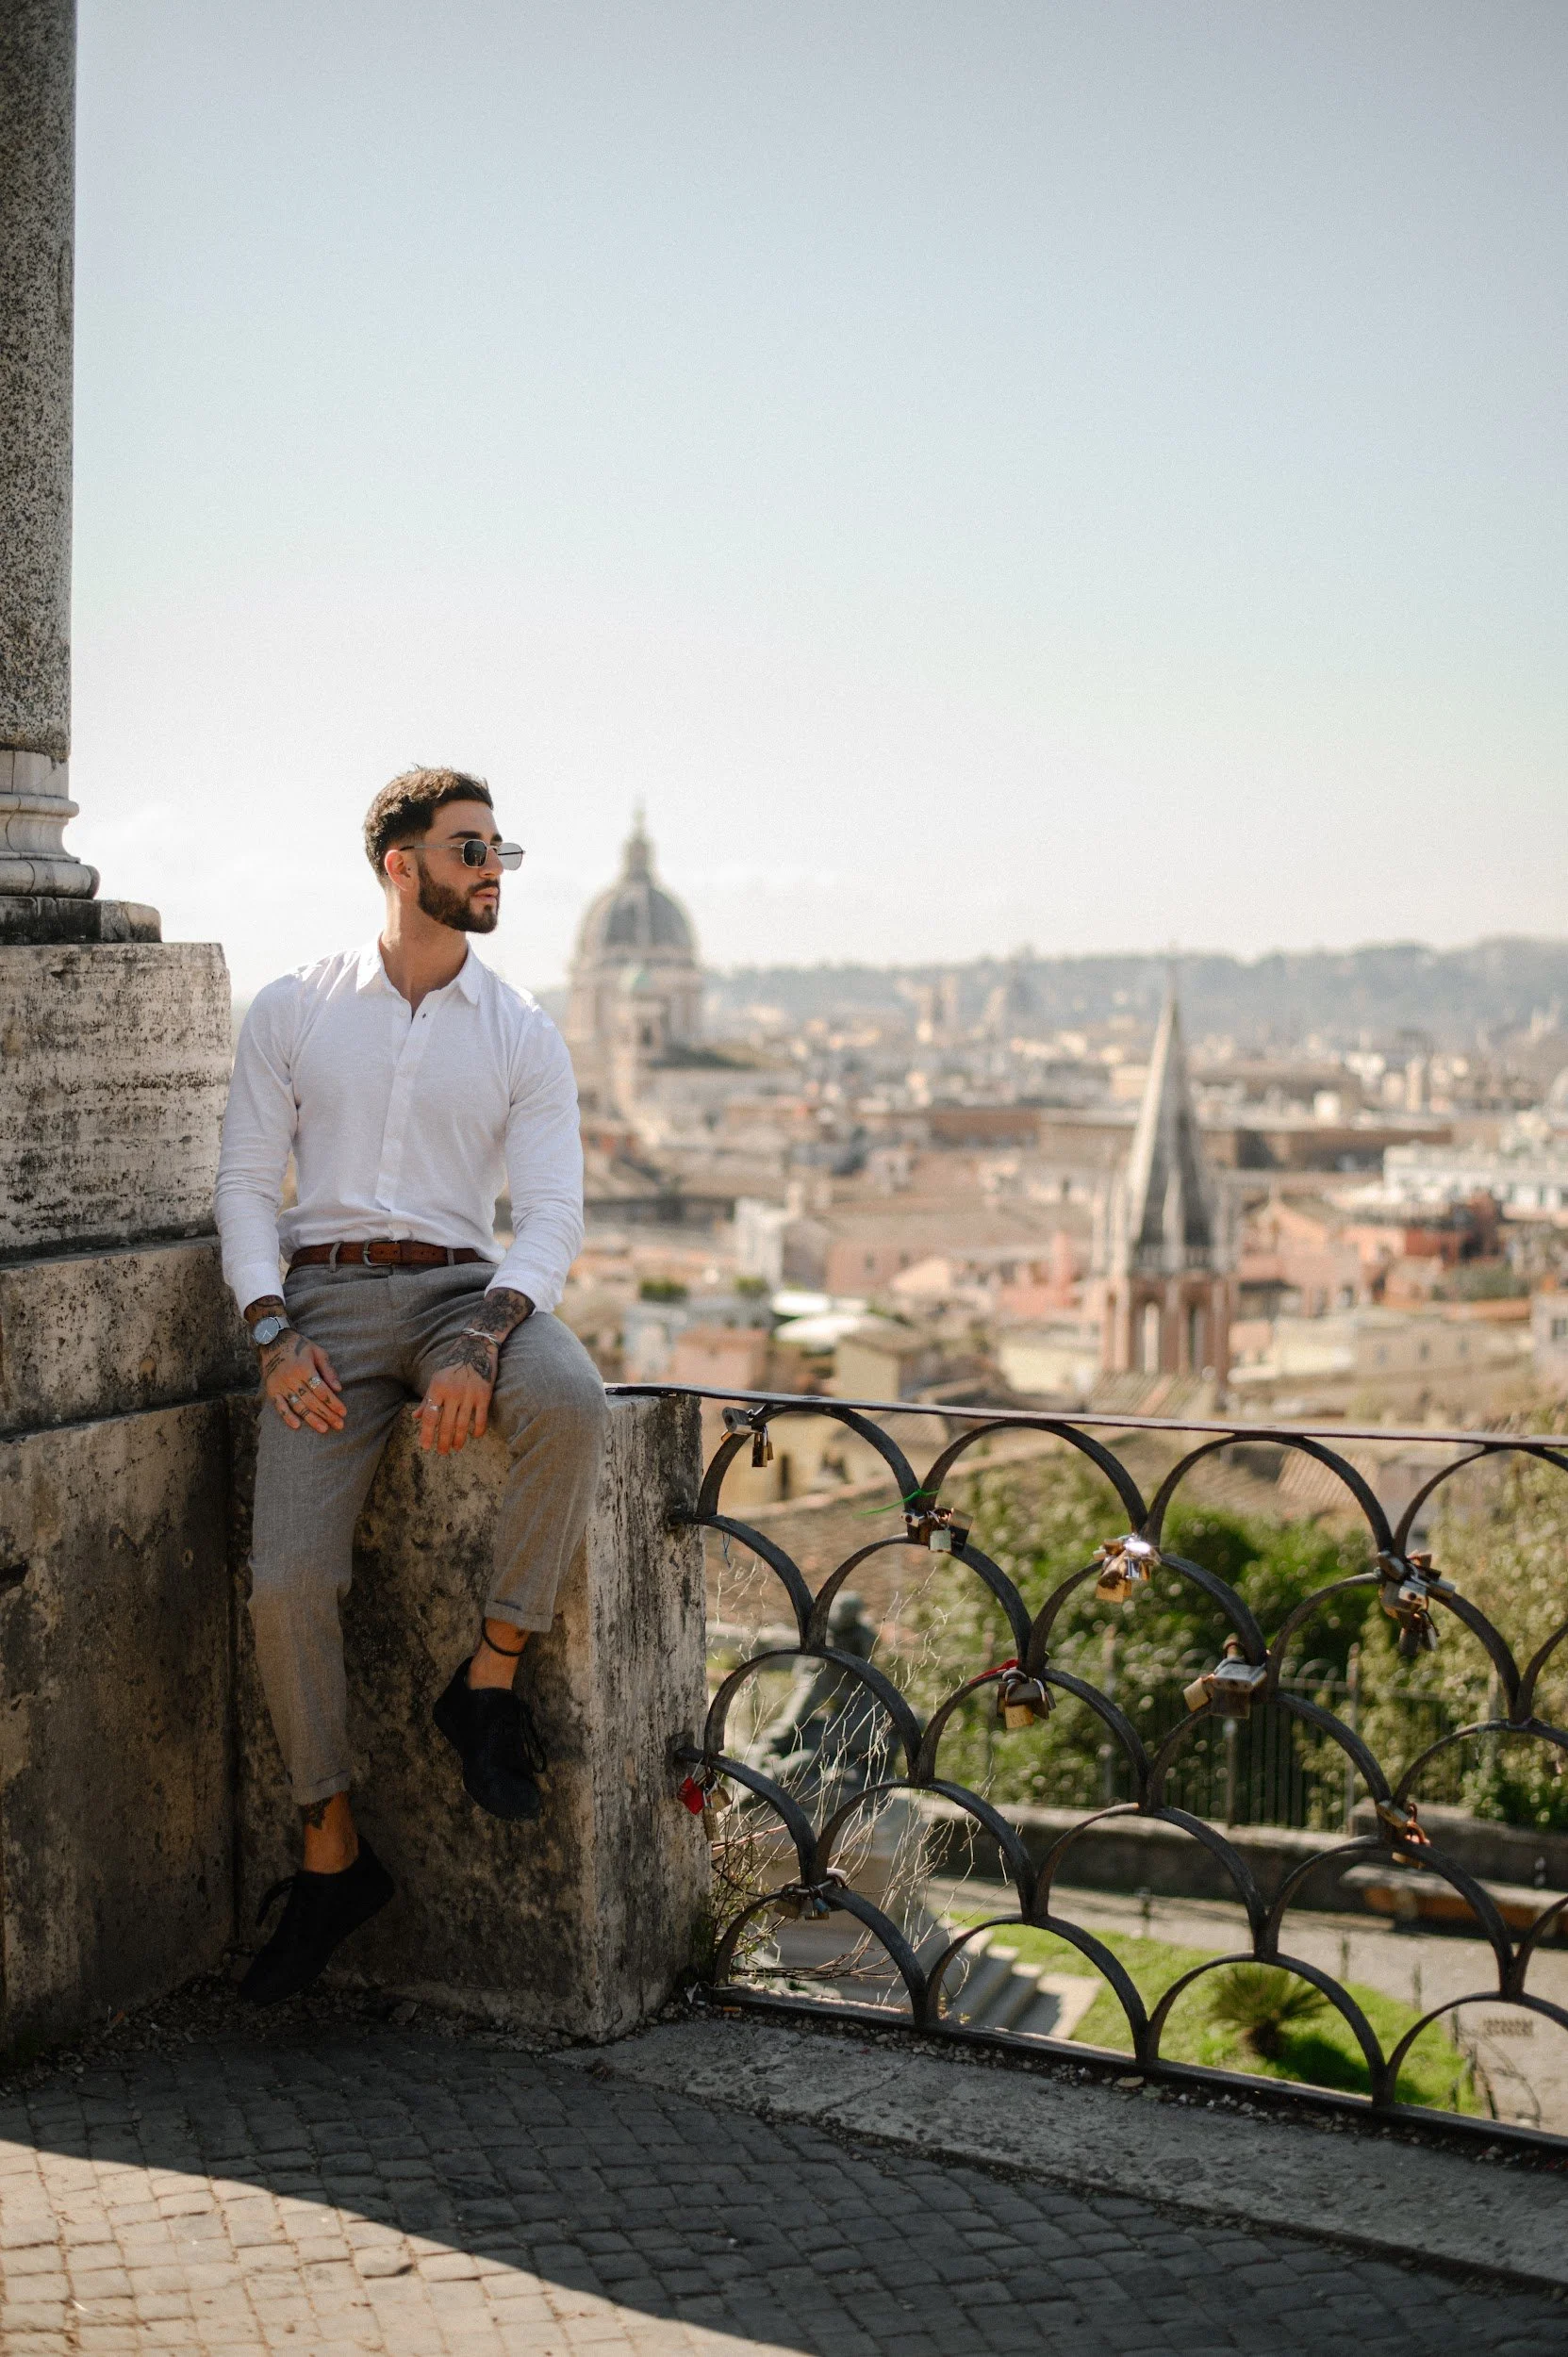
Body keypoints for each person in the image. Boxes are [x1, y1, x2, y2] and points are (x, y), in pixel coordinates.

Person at [214, 766, 608, 2005]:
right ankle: (331, 1851)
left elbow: (551, 1216)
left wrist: (484, 1337)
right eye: (468, 848)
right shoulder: (293, 1006)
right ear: (401, 865)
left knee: (572, 1398)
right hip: (320, 1307)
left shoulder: (521, 1033)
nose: (494, 869)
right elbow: (241, 1186)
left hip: (461, 1296)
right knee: (287, 1581)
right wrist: (272, 1331)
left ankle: (486, 1677)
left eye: (499, 850)